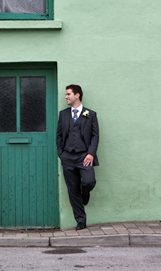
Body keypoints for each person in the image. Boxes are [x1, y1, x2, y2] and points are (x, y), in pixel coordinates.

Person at [56, 84, 99, 230]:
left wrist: (91, 153)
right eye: (66, 94)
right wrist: (61, 153)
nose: (66, 97)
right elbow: (59, 135)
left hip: (84, 156)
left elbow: (95, 136)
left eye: (68, 94)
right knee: (73, 190)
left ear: (77, 95)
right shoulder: (63, 114)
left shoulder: (90, 114)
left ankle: (85, 191)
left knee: (89, 182)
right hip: (67, 157)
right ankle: (81, 220)